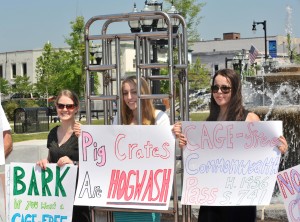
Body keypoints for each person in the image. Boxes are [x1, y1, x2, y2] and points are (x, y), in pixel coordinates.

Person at [174, 68, 288, 222]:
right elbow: (200, 159)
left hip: (240, 200)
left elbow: (267, 152)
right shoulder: (208, 123)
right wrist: (186, 145)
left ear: (235, 90)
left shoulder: (250, 119)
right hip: (212, 199)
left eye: (225, 88)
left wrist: (280, 148)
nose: (219, 92)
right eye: (215, 88)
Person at [111, 75, 170, 222]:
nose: (129, 97)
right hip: (123, 191)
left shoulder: (159, 117)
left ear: (143, 92)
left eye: (134, 91)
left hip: (149, 191)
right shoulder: (120, 118)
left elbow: (164, 155)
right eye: (125, 93)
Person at [36, 89, 90, 222]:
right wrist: (44, 162)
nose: (65, 109)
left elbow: (94, 167)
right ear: (56, 107)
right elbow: (50, 159)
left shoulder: (84, 133)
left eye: (69, 106)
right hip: (56, 202)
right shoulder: (53, 133)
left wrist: (73, 164)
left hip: (78, 201)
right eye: (61, 106)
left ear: (76, 108)